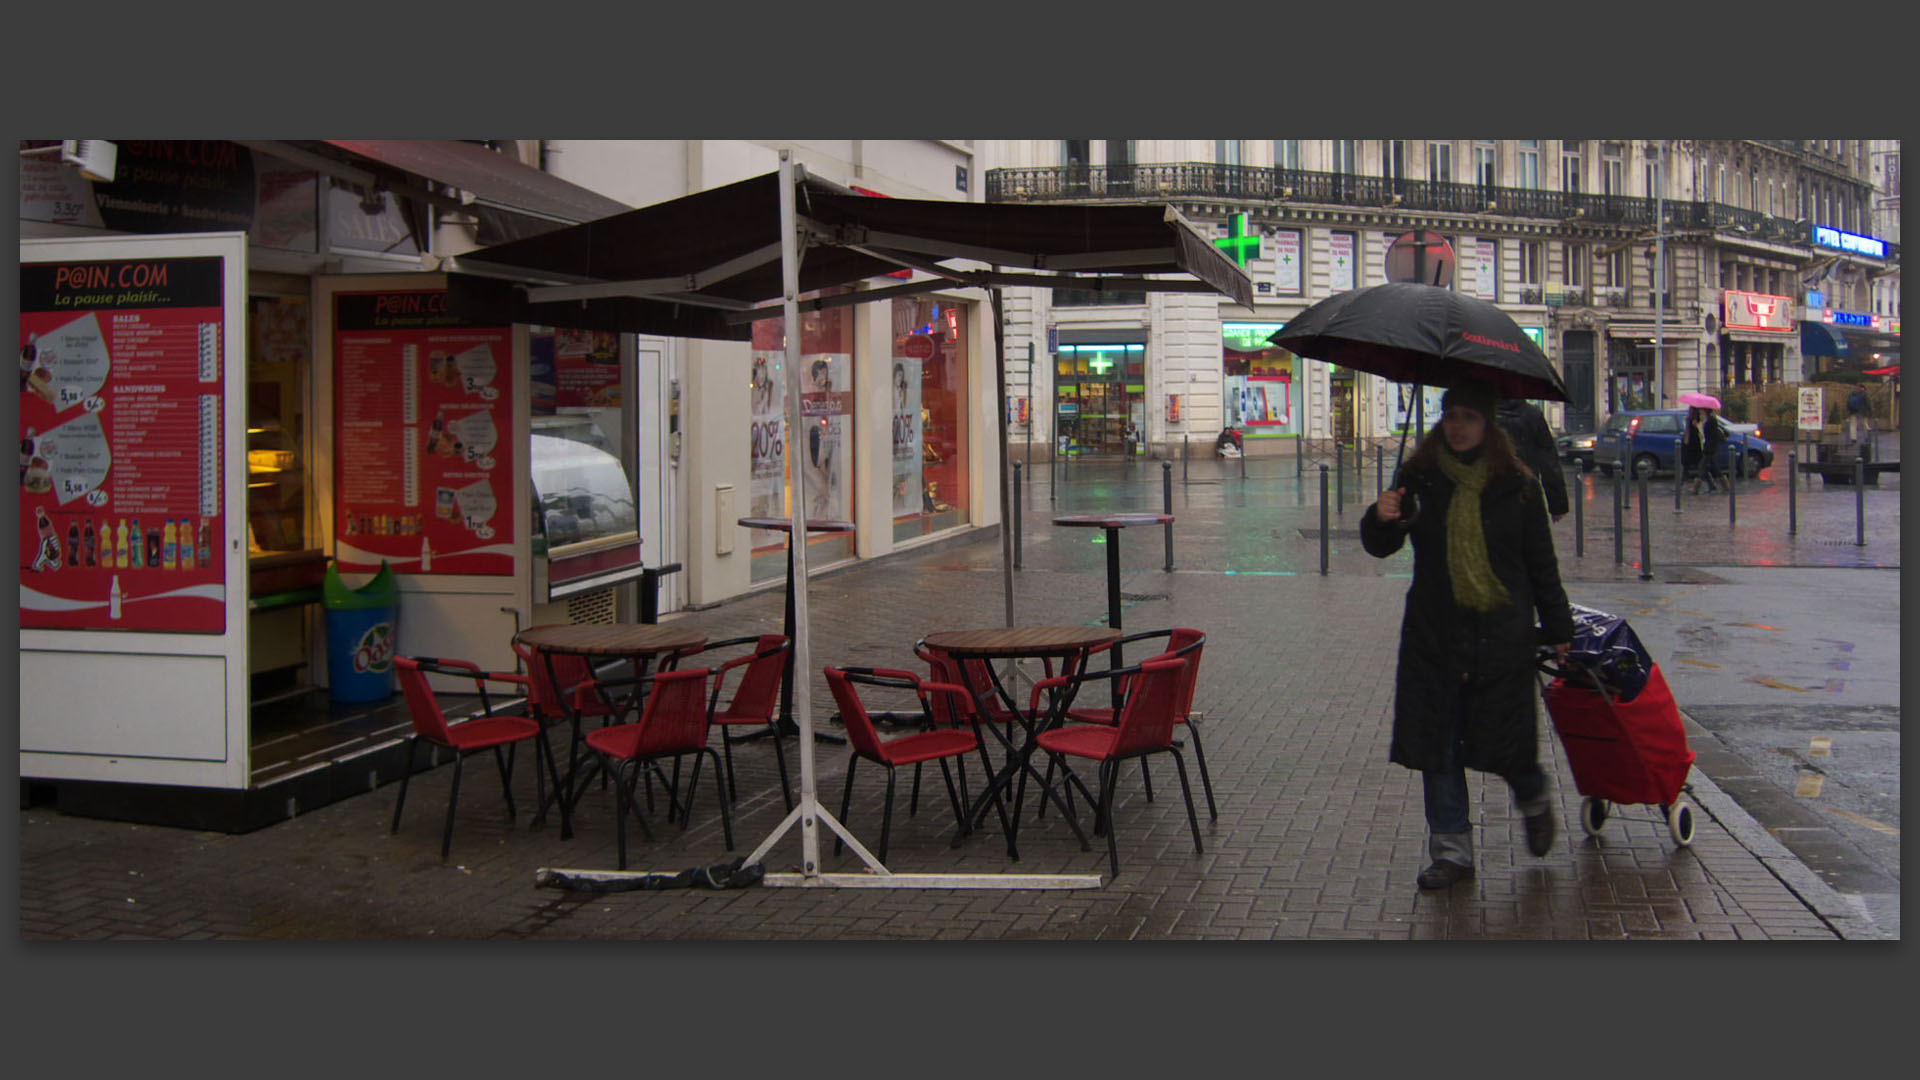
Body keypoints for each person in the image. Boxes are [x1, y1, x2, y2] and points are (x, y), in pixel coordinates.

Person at [1361, 378, 1575, 890]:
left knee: (1508, 742)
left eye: (1469, 417)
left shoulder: (1517, 486)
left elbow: (1541, 564)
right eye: (1450, 415)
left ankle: (1533, 796)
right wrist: (1381, 515)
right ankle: (1452, 851)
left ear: (1488, 425)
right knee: (1439, 744)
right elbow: (1381, 545)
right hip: (1436, 634)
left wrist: (1559, 626)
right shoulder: (1421, 477)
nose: (1458, 427)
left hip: (1501, 634)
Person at [1495, 398, 1569, 521]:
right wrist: (1557, 505)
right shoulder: (1533, 414)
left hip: (1492, 493)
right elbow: (1549, 462)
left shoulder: (1484, 415)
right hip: (1527, 489)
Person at [1681, 406, 1724, 494]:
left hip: (1709, 448)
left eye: (1703, 410)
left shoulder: (1711, 420)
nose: (1701, 411)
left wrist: (1697, 426)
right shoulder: (1707, 420)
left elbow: (1704, 434)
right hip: (1706, 447)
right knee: (1714, 468)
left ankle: (1695, 488)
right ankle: (1721, 486)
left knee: (1702, 467)